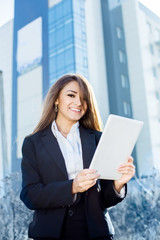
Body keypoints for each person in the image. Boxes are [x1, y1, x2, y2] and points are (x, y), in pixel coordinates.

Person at [20, 74, 135, 240]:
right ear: (56, 99)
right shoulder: (33, 143)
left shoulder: (98, 139)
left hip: (95, 234)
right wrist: (72, 187)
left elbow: (105, 199)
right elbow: (30, 195)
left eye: (84, 98)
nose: (79, 103)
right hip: (50, 235)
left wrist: (118, 183)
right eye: (71, 95)